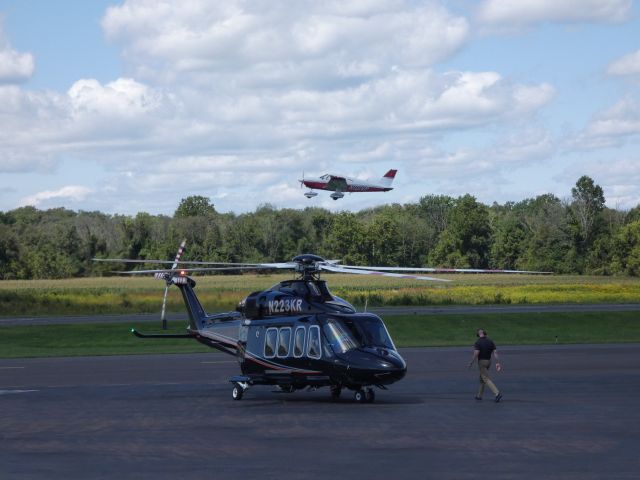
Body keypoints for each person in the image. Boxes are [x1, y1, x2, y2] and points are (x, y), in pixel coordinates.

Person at [468, 328, 503, 402]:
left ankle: (497, 393)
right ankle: (479, 396)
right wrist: (497, 362)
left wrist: (471, 362)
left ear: (478, 334)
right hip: (489, 362)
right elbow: (495, 353)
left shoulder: (478, 342)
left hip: (482, 362)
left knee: (485, 378)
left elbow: (476, 353)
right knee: (482, 378)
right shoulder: (490, 341)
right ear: (485, 333)